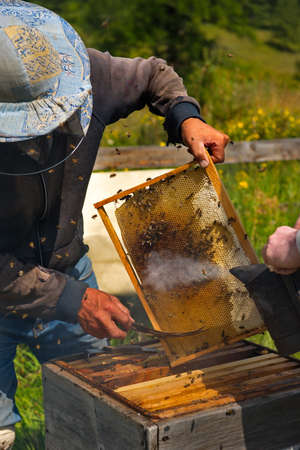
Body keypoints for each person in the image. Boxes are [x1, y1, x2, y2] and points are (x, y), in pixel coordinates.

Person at [0, 1, 229, 448]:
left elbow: (152, 75)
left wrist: (187, 118)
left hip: (70, 269)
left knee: (92, 417)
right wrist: (70, 299)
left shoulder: (90, 73)